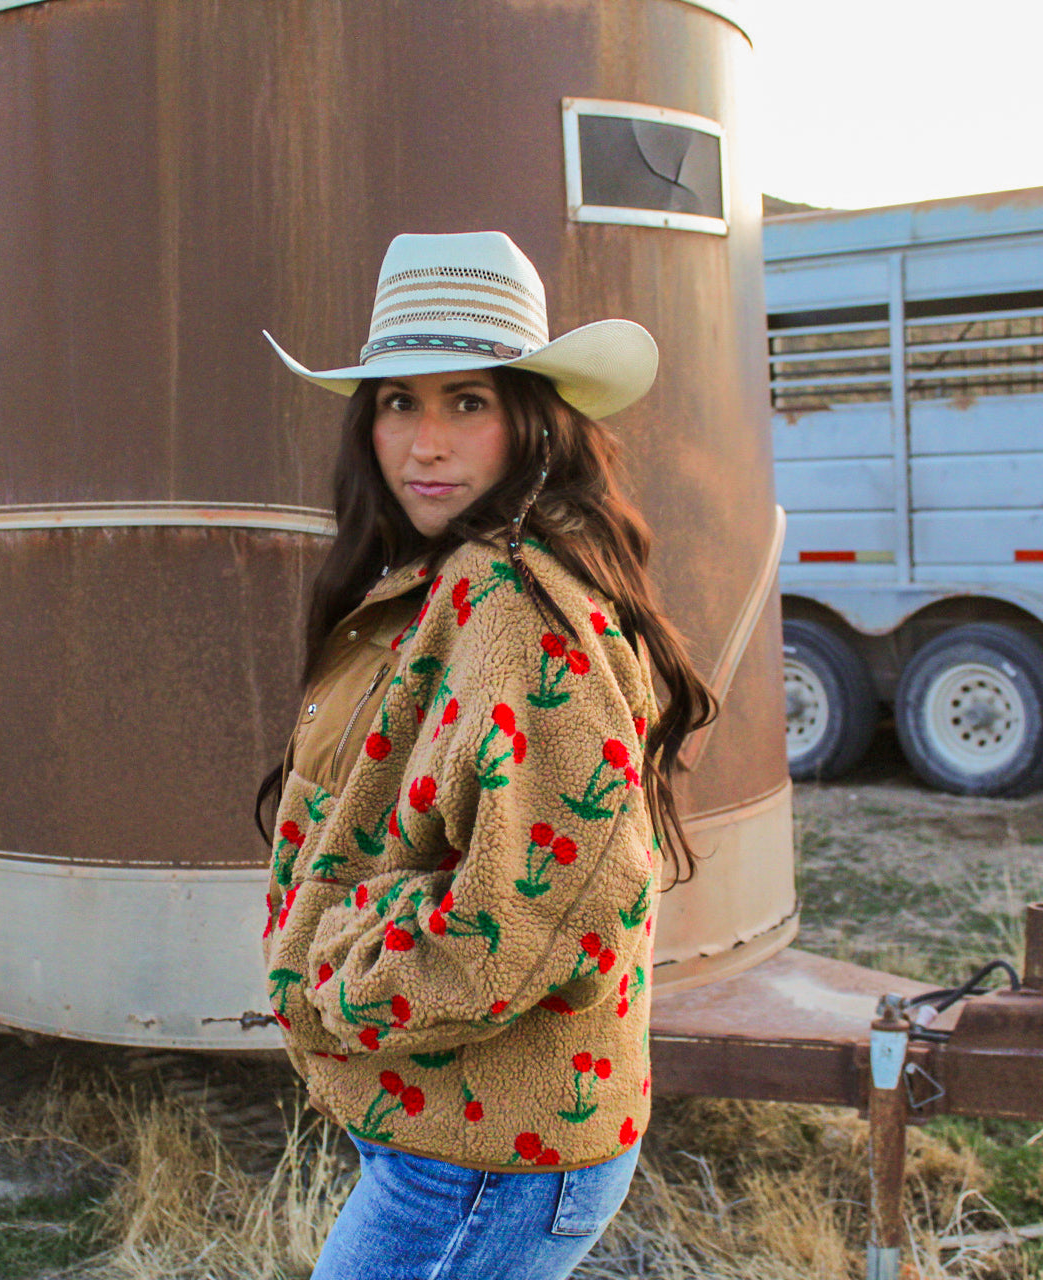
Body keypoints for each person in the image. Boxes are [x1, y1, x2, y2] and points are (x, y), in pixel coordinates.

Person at [257, 231, 714, 1280]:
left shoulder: (513, 602)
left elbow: (553, 904)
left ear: (528, 415)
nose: (423, 440)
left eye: (466, 400)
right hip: (451, 1116)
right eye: (396, 401)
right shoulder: (448, 575)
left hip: (484, 1154)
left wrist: (333, 969)